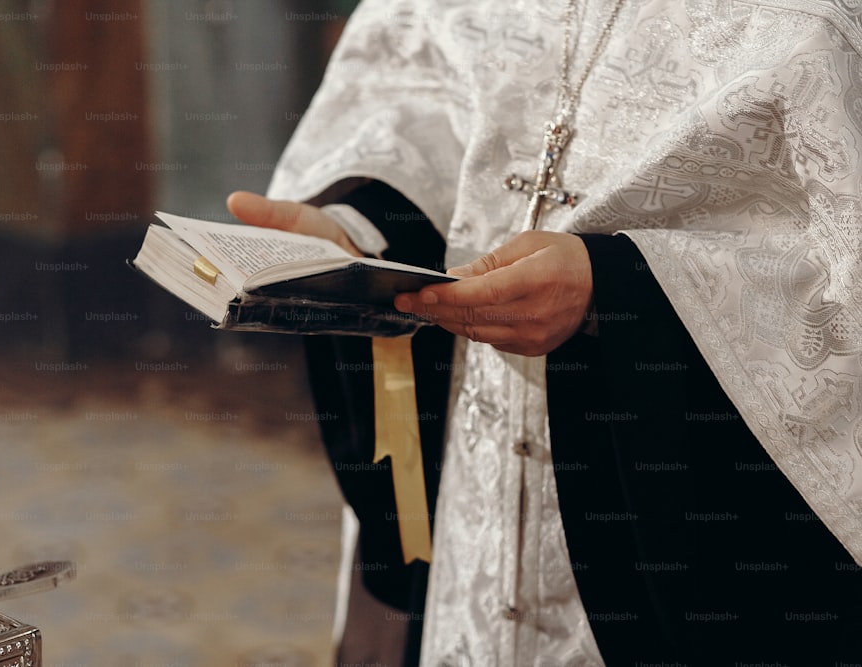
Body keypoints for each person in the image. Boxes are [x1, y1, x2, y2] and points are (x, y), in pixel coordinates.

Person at [228, 0, 862, 664]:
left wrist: (615, 290)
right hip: (476, 475)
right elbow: (433, 138)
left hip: (663, 527)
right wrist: (360, 237)